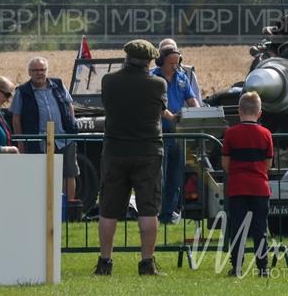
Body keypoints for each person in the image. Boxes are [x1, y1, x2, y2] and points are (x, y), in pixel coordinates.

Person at [94, 39, 167, 276]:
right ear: (149, 62)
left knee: (108, 209)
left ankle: (105, 262)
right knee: (148, 209)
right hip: (148, 151)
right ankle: (147, 263)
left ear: (126, 57)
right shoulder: (158, 84)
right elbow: (160, 112)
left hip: (115, 151)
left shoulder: (109, 80)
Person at [11, 57, 79, 202]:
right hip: (38, 142)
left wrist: (71, 126)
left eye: (42, 70)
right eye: (35, 70)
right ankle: (42, 208)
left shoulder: (59, 84)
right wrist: (21, 143)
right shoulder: (22, 91)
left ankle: (68, 210)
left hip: (63, 139)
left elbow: (69, 105)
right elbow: (16, 118)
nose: (39, 73)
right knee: (39, 176)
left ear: (46, 71)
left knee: (69, 173)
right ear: (29, 72)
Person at [221, 91, 273, 277]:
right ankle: (263, 267)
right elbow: (268, 163)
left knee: (238, 228)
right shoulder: (266, 134)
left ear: (238, 111)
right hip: (260, 187)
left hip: (237, 186)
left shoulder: (231, 133)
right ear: (260, 113)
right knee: (260, 228)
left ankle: (236, 267)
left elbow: (225, 163)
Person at [151, 41, 199, 224]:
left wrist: (197, 112)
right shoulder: (153, 78)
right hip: (159, 133)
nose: (175, 66)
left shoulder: (181, 77)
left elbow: (192, 99)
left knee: (175, 175)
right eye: (171, 63)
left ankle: (169, 213)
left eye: (177, 62)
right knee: (159, 177)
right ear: (160, 61)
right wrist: (171, 117)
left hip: (178, 133)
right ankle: (155, 213)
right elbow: (157, 106)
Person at [158, 38, 202, 104]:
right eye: (166, 52)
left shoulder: (188, 73)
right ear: (160, 59)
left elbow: (196, 99)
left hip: (186, 114)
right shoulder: (152, 75)